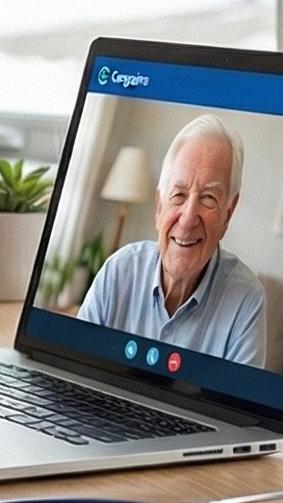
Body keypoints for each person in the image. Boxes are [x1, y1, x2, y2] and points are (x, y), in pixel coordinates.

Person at [77, 115, 267, 366]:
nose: (187, 220)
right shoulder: (119, 270)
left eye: (208, 198)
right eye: (178, 195)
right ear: (158, 207)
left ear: (227, 215)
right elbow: (72, 368)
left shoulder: (246, 301)